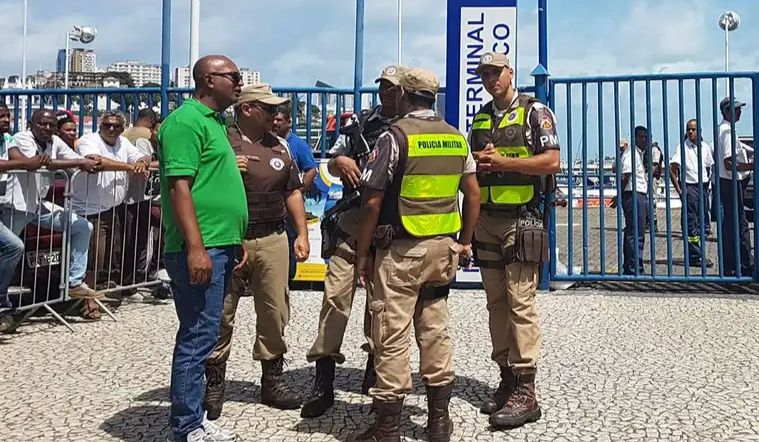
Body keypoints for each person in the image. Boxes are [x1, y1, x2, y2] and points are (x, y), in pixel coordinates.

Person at [349, 66, 480, 442]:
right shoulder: (456, 138)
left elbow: (372, 202)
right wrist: (465, 241)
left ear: (405, 96)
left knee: (391, 332)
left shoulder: (396, 136)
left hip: (402, 252)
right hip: (443, 249)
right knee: (435, 328)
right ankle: (439, 421)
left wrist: (362, 255)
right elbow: (473, 194)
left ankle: (387, 427)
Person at [299, 65, 403, 419]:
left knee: (382, 304)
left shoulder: (411, 126)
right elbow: (334, 157)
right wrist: (342, 159)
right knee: (335, 298)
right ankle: (323, 377)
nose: (386, 94)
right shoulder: (362, 122)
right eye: (382, 88)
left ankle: (376, 368)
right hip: (352, 222)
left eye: (392, 89)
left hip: (390, 228)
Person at [203, 84, 310, 418]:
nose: (275, 115)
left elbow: (292, 192)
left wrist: (302, 233)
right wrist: (225, 170)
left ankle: (272, 380)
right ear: (247, 109)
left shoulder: (279, 146)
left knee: (275, 311)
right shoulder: (221, 141)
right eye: (267, 109)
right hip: (230, 238)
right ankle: (214, 383)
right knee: (221, 311)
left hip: (273, 236)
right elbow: (193, 183)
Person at [468, 52, 560, 429]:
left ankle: (526, 388)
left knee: (521, 303)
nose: (490, 79)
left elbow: (552, 161)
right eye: (484, 74)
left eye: (496, 72)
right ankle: (506, 376)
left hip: (522, 220)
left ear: (510, 72)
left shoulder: (535, 111)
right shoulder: (482, 116)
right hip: (486, 220)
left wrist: (504, 163)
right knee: (496, 303)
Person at [157, 54, 247, 442]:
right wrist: (196, 247)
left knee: (204, 334)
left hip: (220, 243)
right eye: (234, 76)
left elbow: (215, 185)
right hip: (201, 246)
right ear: (209, 80)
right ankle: (186, 427)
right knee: (197, 336)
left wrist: (234, 237)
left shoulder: (215, 123)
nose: (240, 83)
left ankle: (193, 418)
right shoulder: (185, 123)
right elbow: (180, 188)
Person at [0, 109, 105, 318]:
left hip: (38, 205)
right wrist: (79, 163)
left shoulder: (53, 141)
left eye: (50, 125)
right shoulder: (22, 138)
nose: (47, 129)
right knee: (10, 251)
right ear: (31, 124)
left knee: (82, 226)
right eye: (42, 124)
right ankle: (3, 300)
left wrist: (87, 160)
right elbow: (35, 163)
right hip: (16, 206)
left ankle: (74, 281)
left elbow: (73, 158)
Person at [71, 112, 151, 309]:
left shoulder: (123, 142)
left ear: (122, 128)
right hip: (88, 210)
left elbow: (142, 156)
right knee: (93, 258)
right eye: (107, 125)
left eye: (116, 126)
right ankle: (88, 303)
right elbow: (95, 162)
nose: (111, 129)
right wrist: (130, 167)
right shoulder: (89, 140)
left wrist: (142, 162)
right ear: (100, 125)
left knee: (108, 257)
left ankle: (95, 295)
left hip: (111, 208)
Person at [272, 110, 317, 280]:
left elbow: (311, 169)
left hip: (289, 205)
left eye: (279, 120)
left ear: (289, 122)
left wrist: (298, 190)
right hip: (272, 204)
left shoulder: (297, 144)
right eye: (273, 119)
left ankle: (288, 277)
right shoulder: (269, 141)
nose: (275, 123)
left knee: (290, 239)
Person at [120, 108, 160, 291]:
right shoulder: (144, 138)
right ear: (151, 122)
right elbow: (142, 165)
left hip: (124, 194)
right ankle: (133, 280)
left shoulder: (125, 133)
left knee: (128, 240)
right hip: (139, 196)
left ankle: (129, 279)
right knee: (138, 241)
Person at [716, 97, 754, 277]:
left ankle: (732, 265)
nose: (739, 112)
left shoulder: (724, 130)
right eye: (735, 109)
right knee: (739, 225)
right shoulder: (727, 132)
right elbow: (729, 163)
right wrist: (752, 166)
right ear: (726, 112)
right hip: (730, 181)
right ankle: (745, 264)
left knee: (732, 225)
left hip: (726, 182)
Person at [669, 119, 714, 267]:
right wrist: (680, 190)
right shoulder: (682, 148)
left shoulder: (705, 147)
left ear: (699, 131)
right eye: (688, 129)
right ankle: (695, 255)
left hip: (703, 187)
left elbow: (708, 168)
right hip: (690, 187)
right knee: (691, 223)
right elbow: (672, 170)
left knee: (702, 221)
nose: (690, 132)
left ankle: (698, 253)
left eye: (693, 129)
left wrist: (706, 185)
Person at [0, 104, 28, 331]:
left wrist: (29, 162)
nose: (6, 120)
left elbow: (17, 158)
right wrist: (28, 163)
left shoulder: (7, 139)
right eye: (1, 116)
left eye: (7, 115)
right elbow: (13, 163)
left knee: (12, 247)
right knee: (13, 246)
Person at [617, 126, 648, 275]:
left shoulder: (637, 154)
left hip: (637, 194)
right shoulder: (631, 154)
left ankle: (633, 266)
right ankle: (633, 268)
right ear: (635, 138)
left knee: (636, 232)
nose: (644, 140)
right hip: (633, 194)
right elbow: (626, 175)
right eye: (641, 137)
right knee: (635, 233)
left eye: (646, 137)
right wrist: (620, 194)